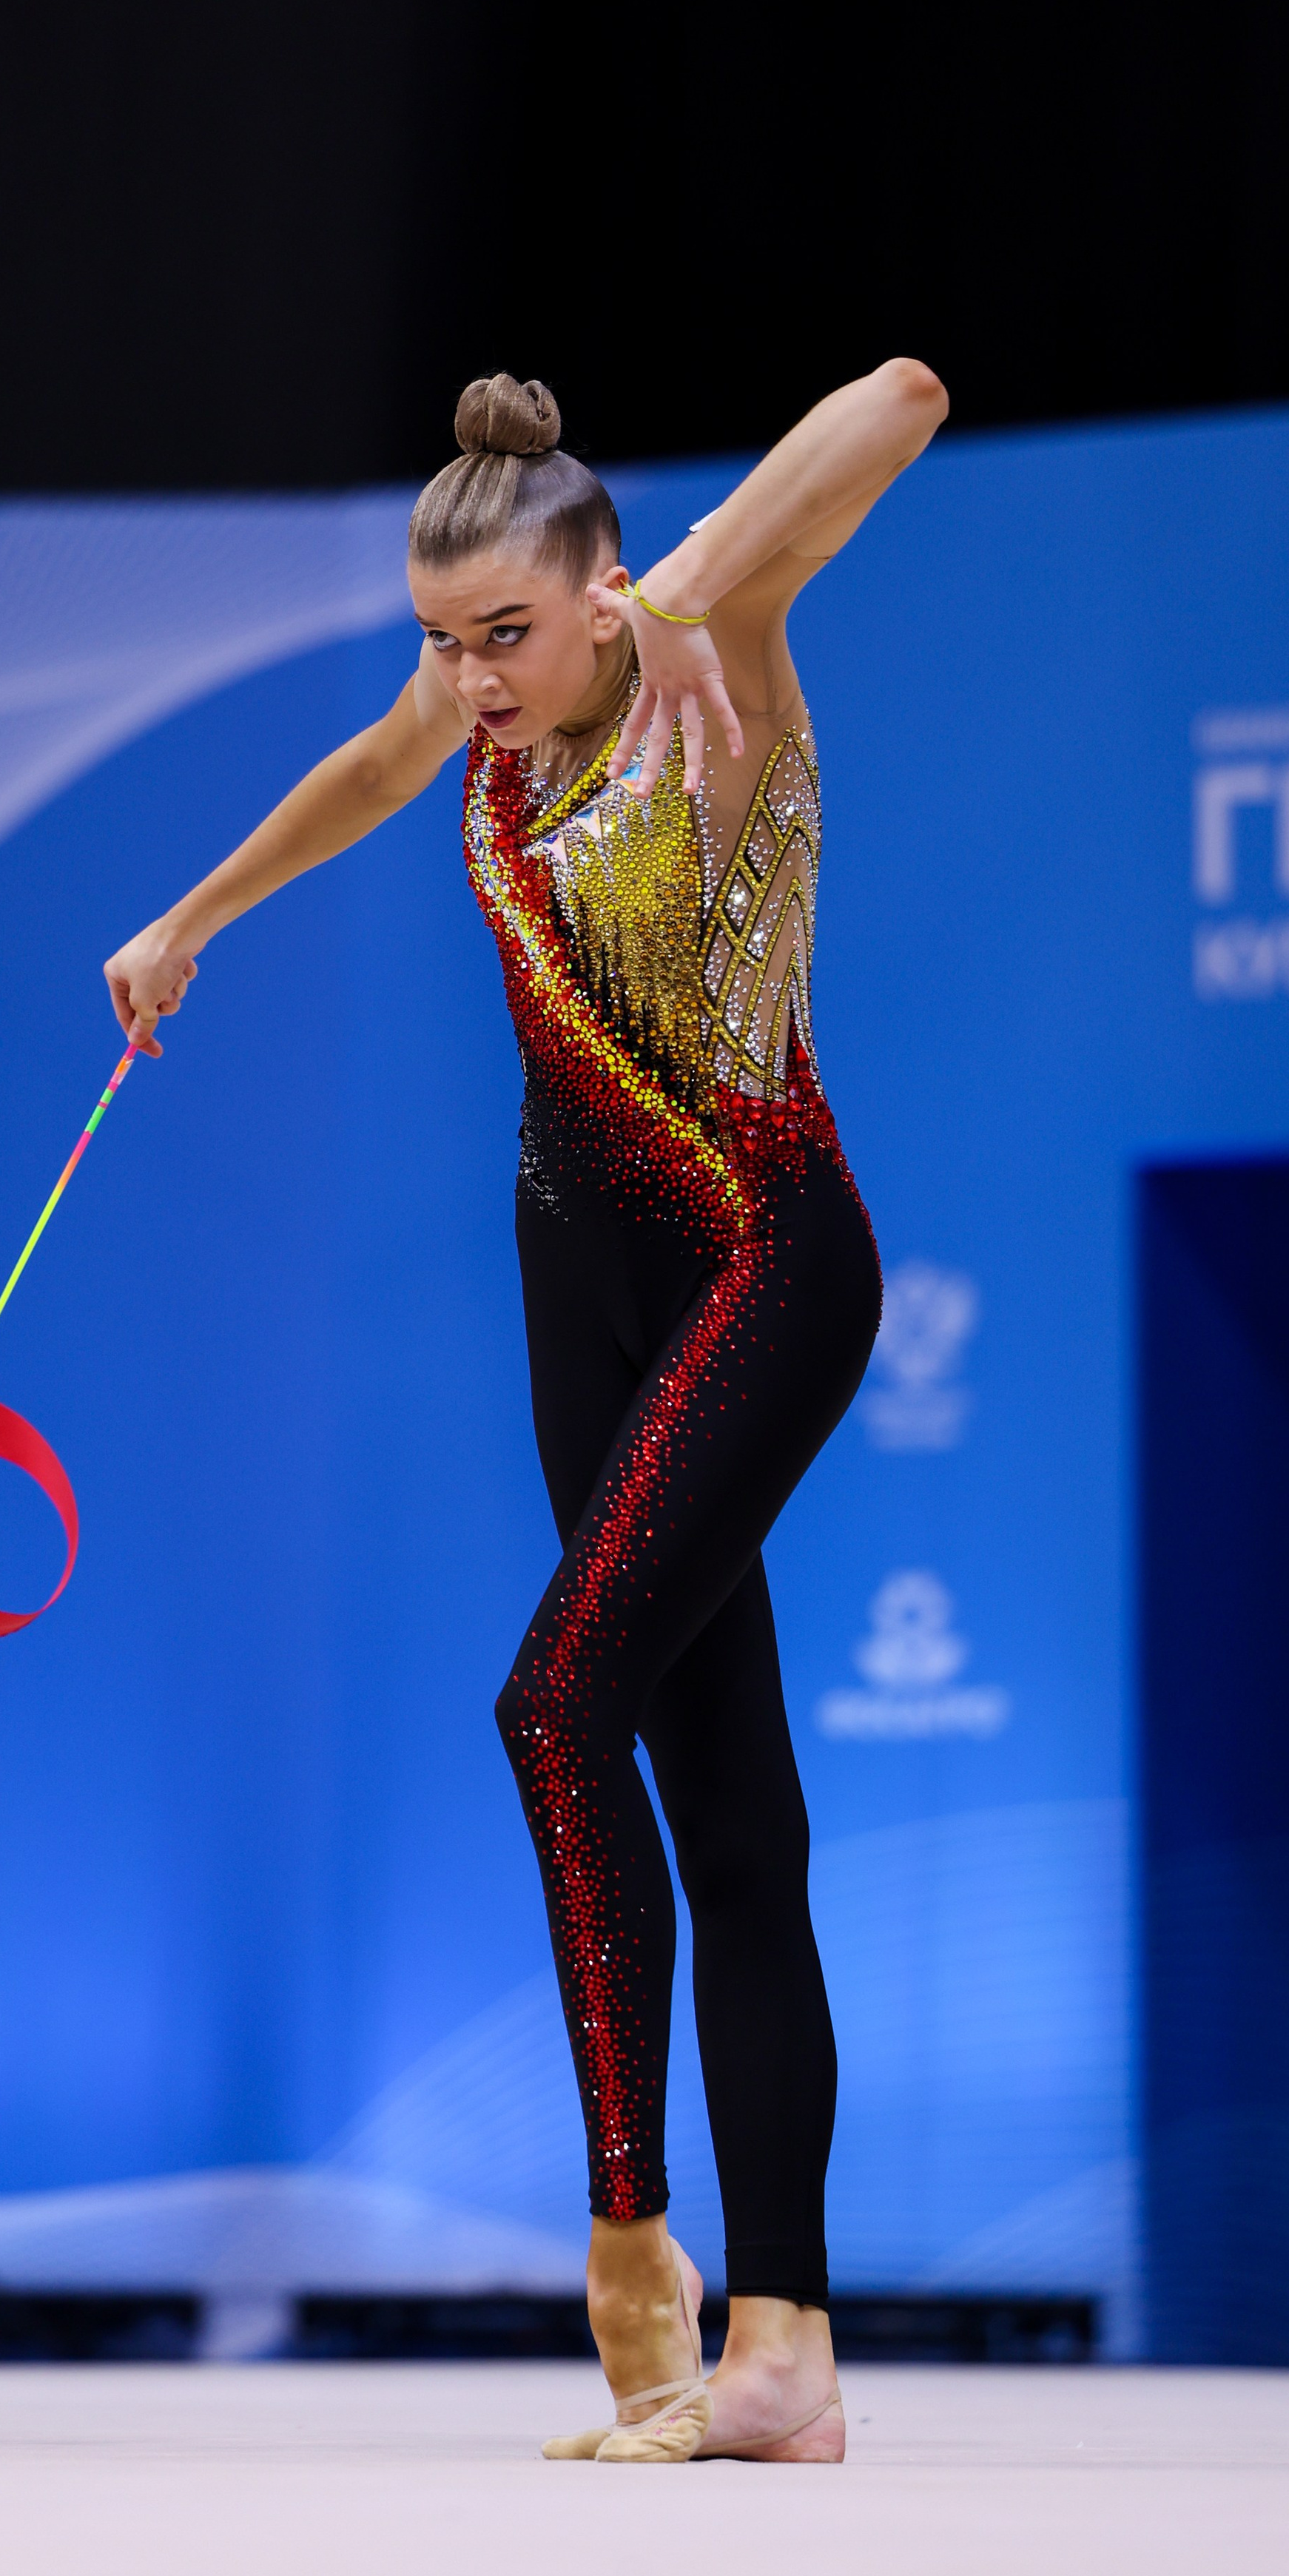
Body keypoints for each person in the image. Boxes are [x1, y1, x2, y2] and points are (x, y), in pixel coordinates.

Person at [105, 359, 948, 2462]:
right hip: (582, 1295)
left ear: (593, 601)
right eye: (439, 640)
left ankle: (629, 2248)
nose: (468, 682)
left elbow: (907, 397)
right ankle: (788, 2359)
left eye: (506, 636)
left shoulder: (707, 658)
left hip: (764, 1259)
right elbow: (356, 774)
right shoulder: (477, 738)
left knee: (553, 1706)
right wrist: (191, 921)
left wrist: (696, 581)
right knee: (735, 1824)